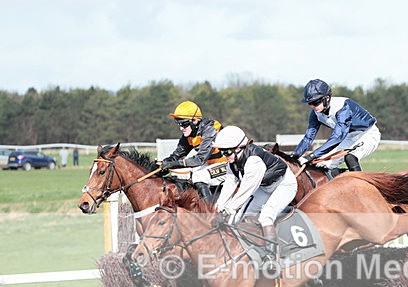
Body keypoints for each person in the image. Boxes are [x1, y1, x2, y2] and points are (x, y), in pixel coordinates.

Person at [213, 125, 298, 275]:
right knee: (239, 217)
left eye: (226, 151)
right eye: (221, 151)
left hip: (284, 185)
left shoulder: (253, 161)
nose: (224, 155)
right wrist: (219, 206)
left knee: (266, 215)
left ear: (239, 147)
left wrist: (228, 209)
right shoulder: (233, 161)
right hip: (265, 187)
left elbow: (246, 190)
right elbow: (230, 182)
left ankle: (271, 259)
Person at [292, 79, 381, 175]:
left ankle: (362, 186)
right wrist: (294, 156)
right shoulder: (315, 113)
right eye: (310, 103)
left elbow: (338, 137)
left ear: (327, 98)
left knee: (350, 157)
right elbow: (308, 137)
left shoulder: (343, 107)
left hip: (367, 134)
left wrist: (312, 155)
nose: (313, 106)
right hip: (348, 138)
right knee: (320, 165)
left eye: (316, 102)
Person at [160, 100, 228, 203]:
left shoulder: (211, 129)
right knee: (181, 175)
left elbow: (200, 159)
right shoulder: (189, 134)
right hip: (211, 166)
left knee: (199, 176)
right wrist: (162, 164)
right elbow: (176, 155)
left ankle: (209, 213)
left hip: (229, 165)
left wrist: (175, 164)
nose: (181, 128)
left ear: (195, 121)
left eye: (184, 124)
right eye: (178, 124)